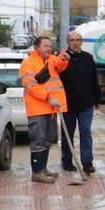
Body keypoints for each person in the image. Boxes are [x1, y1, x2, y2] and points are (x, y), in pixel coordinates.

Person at [19, 36, 70, 184]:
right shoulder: (28, 63)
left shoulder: (50, 60)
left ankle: (43, 168)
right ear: (37, 48)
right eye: (45, 46)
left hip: (51, 109)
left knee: (48, 139)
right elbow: (31, 85)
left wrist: (64, 58)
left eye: (50, 46)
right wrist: (48, 97)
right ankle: (37, 172)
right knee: (39, 139)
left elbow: (59, 65)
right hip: (38, 108)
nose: (49, 48)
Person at [58, 30, 101, 175]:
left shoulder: (88, 58)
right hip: (67, 104)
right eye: (72, 40)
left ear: (81, 42)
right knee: (67, 134)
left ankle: (87, 163)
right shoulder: (61, 58)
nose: (75, 42)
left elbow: (94, 79)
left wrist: (97, 99)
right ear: (68, 42)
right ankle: (67, 161)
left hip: (86, 104)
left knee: (85, 132)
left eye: (77, 40)